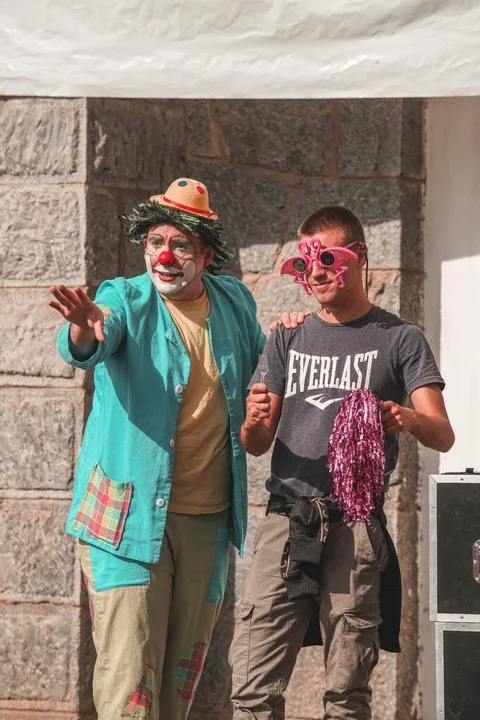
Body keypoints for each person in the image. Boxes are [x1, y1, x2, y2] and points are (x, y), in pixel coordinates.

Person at [49, 177, 271, 720]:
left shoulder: (235, 301)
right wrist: (84, 329)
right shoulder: (122, 298)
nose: (164, 257)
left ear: (207, 255)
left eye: (180, 246)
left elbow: (265, 372)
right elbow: (92, 341)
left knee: (179, 682)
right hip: (125, 520)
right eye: (155, 242)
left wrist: (291, 337)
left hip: (206, 522)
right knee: (130, 680)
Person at [230, 205, 455, 720]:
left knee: (346, 694)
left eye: (328, 258)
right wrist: (253, 419)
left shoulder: (400, 338)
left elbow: (443, 434)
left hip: (355, 526)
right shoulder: (287, 336)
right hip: (287, 521)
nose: (316, 272)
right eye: (305, 263)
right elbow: (256, 443)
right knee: (252, 687)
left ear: (360, 256)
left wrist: (404, 417)